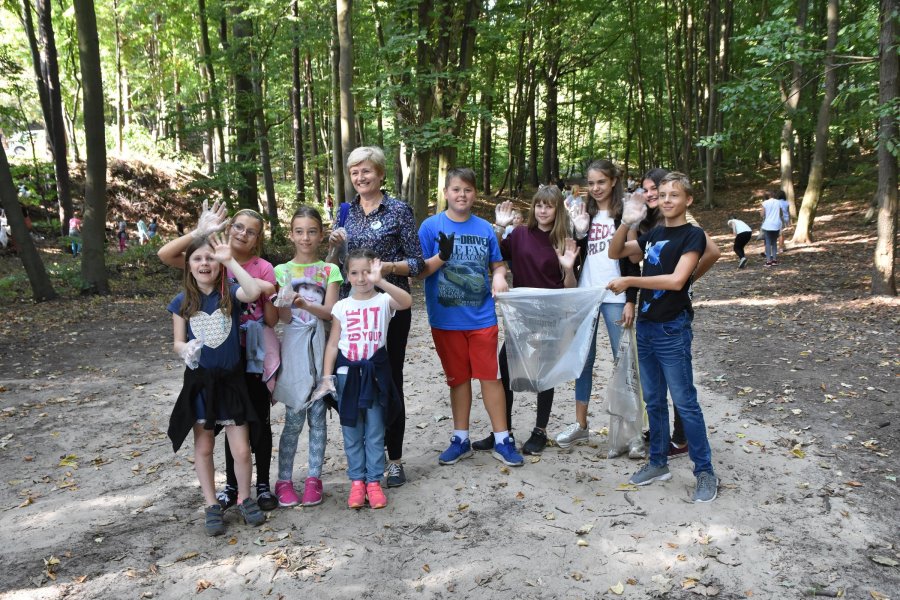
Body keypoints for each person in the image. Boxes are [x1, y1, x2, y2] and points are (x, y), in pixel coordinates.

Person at [158, 202, 279, 512]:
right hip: (202, 384)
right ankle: (213, 503)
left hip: (236, 379)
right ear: (189, 265)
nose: (204, 264)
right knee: (205, 445)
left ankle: (245, 497)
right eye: (197, 259)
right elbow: (177, 341)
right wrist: (184, 348)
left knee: (243, 446)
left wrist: (228, 260)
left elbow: (254, 291)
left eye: (210, 259)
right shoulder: (183, 300)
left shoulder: (230, 290)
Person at [607, 171, 718, 503]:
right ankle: (657, 462)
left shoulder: (693, 235)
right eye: (663, 195)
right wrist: (627, 222)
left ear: (688, 200)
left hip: (672, 327)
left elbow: (676, 281)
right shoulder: (653, 233)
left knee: (684, 401)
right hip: (647, 326)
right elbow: (616, 253)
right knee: (653, 401)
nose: (667, 200)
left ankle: (705, 471)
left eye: (675, 195)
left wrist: (631, 284)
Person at [326, 146, 425, 488]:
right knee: (355, 378)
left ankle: (394, 459)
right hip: (353, 309)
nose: (360, 177)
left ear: (381, 174)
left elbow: (417, 263)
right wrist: (333, 243)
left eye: (366, 171)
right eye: (354, 172)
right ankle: (370, 456)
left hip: (389, 307)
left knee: (389, 380)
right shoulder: (344, 212)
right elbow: (335, 262)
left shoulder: (398, 210)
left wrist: (383, 270)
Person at [417, 166, 524, 468]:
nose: (461, 195)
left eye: (467, 189)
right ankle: (460, 438)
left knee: (491, 377)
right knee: (458, 380)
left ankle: (502, 438)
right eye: (456, 189)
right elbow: (420, 270)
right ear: (446, 193)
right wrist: (442, 257)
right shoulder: (429, 227)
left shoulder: (484, 229)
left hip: (482, 318)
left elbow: (498, 264)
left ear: (474, 194)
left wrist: (500, 276)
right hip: (446, 319)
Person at [486, 187, 579, 455]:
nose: (543, 210)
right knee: (504, 369)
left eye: (549, 206)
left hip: (551, 318)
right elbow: (495, 259)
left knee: (544, 375)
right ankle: (504, 431)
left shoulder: (564, 240)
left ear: (557, 209)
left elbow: (570, 287)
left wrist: (569, 267)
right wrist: (500, 229)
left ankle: (540, 431)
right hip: (522, 317)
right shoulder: (520, 235)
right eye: (539, 205)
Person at [317, 248, 412, 509]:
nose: (361, 278)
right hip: (348, 376)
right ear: (346, 275)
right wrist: (327, 377)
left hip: (376, 376)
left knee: (374, 430)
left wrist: (381, 280)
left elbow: (406, 302)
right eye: (355, 273)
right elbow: (333, 344)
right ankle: (357, 481)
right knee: (351, 430)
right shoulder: (341, 306)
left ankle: (374, 482)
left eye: (367, 272)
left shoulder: (383, 300)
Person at [558, 159, 640, 451]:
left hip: (616, 297)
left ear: (614, 181)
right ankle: (581, 426)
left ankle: (631, 433)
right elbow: (573, 253)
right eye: (591, 183)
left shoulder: (625, 214)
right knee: (584, 361)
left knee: (624, 363)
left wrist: (631, 298)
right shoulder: (585, 214)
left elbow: (633, 261)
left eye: (601, 182)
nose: (596, 188)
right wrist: (577, 231)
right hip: (587, 296)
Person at [271, 206, 342, 508]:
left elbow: (330, 312)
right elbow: (283, 319)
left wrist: (304, 304)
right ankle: (284, 480)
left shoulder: (330, 270)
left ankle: (314, 478)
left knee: (318, 417)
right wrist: (285, 304)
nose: (305, 237)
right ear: (291, 235)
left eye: (312, 231)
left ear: (320, 234)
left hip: (321, 347)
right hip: (294, 349)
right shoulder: (281, 271)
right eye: (299, 231)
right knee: (294, 417)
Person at [760, 192, 783, 267]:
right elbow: (781, 213)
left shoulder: (765, 202)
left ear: (768, 196)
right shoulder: (779, 202)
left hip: (768, 225)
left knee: (768, 242)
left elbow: (762, 214)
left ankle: (768, 261)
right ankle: (774, 260)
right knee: (774, 242)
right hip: (777, 224)